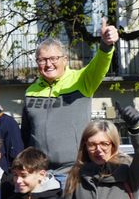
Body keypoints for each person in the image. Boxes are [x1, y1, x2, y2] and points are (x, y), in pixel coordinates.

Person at [21, 22, 120, 171]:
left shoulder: (82, 80)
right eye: (42, 60)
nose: (48, 64)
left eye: (54, 58)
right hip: (39, 173)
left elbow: (100, 63)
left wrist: (106, 44)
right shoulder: (31, 91)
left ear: (65, 60)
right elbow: (26, 134)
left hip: (74, 170)